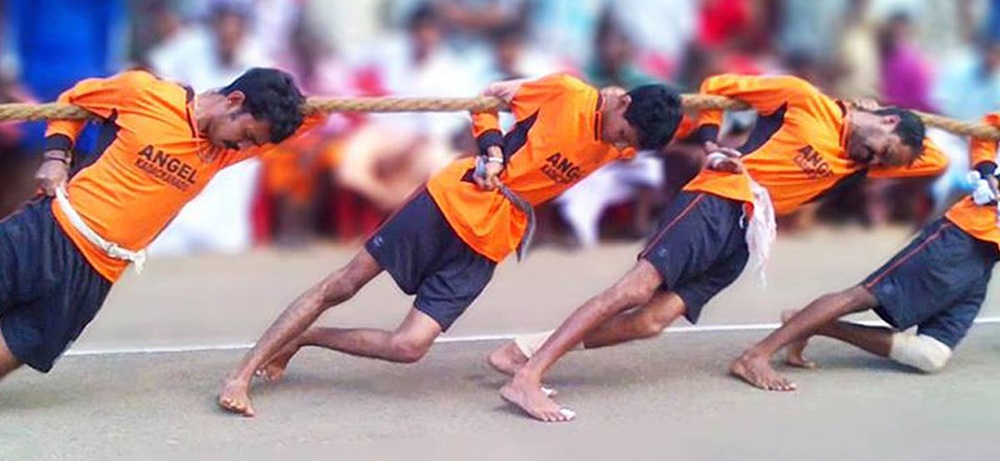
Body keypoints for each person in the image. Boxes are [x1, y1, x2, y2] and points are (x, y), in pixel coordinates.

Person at [216, 73, 686, 417]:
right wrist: (493, 149)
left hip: (492, 239)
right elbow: (485, 99)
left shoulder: (624, 138)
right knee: (343, 285)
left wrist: (702, 131)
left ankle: (305, 337)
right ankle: (241, 375)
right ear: (621, 103)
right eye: (622, 131)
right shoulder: (568, 93)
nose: (619, 142)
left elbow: (688, 116)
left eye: (629, 142)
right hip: (449, 201)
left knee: (409, 347)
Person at [491, 74, 949, 422]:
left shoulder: (858, 161)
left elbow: (938, 159)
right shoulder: (804, 99)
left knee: (651, 321)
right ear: (887, 122)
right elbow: (718, 86)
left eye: (882, 162)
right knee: (634, 292)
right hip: (717, 199)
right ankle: (528, 377)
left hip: (751, 232)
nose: (873, 163)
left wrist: (874, 119)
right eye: (880, 151)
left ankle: (524, 353)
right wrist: (710, 139)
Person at [0, 67, 319, 385]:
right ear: (234, 100)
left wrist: (292, 98)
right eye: (247, 136)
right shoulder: (146, 93)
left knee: (14, 351)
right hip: (46, 231)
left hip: (94, 276)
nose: (245, 149)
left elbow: (315, 117)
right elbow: (74, 98)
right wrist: (56, 157)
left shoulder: (222, 152)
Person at [729, 111, 1000, 391]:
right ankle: (756, 355)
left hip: (987, 257)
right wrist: (986, 169)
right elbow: (988, 127)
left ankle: (818, 324)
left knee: (929, 355)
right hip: (964, 236)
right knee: (860, 296)